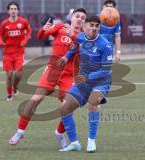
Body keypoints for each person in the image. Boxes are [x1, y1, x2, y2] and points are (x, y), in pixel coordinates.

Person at [8, 8, 87, 149]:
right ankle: (20, 131)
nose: (79, 19)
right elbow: (40, 36)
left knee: (67, 107)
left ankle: (59, 132)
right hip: (52, 71)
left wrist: (74, 37)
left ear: (84, 21)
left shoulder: (83, 37)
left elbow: (83, 55)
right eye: (77, 16)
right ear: (72, 17)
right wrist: (42, 29)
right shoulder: (60, 27)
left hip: (69, 75)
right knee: (35, 100)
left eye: (82, 17)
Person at [57, 15, 113, 152]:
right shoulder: (81, 37)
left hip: (101, 82)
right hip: (83, 82)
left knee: (92, 103)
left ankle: (91, 141)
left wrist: (88, 76)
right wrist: (66, 56)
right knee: (64, 108)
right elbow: (75, 46)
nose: (94, 28)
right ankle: (75, 143)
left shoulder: (105, 44)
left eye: (96, 26)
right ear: (85, 26)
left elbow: (106, 70)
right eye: (91, 25)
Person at [0, 2, 32, 101]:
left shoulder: (23, 22)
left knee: (18, 74)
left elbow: (29, 31)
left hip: (19, 52)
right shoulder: (4, 24)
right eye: (11, 9)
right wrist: (1, 42)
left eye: (15, 9)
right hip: (8, 53)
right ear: (8, 11)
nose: (13, 11)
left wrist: (24, 40)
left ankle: (15, 87)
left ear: (18, 11)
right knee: (9, 75)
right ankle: (9, 94)